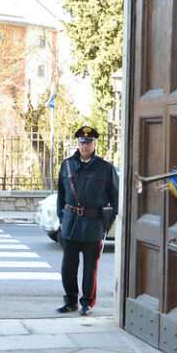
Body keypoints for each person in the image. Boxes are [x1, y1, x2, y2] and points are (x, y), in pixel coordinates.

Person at [56, 126, 119, 316]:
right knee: (68, 266)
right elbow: (61, 195)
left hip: (93, 224)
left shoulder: (105, 168)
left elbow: (115, 199)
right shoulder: (67, 165)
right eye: (82, 142)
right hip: (71, 223)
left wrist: (105, 224)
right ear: (78, 143)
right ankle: (70, 301)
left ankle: (87, 302)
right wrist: (62, 218)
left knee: (90, 267)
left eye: (89, 142)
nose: (85, 146)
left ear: (94, 144)